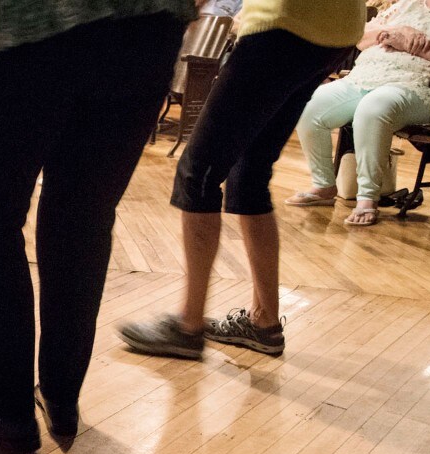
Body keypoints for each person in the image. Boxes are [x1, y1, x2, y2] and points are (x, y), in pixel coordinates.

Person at [0, 0, 197, 453]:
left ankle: (7, 408)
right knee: (83, 216)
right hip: (148, 31)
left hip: (20, 27)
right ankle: (60, 393)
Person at [118, 1, 367, 363]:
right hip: (336, 30)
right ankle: (263, 323)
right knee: (250, 172)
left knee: (198, 171)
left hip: (284, 23)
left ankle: (188, 325)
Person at [288, 0, 430, 226]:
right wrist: (393, 31)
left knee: (373, 108)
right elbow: (361, 38)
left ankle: (367, 198)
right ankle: (324, 185)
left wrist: (417, 45)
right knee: (310, 104)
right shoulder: (408, 4)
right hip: (363, 79)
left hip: (417, 86)